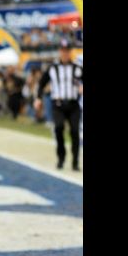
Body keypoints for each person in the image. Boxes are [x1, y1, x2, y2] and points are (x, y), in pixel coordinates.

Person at [38, 40, 83, 170]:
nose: (65, 53)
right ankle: (61, 158)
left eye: (67, 51)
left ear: (70, 52)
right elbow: (41, 83)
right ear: (60, 52)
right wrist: (38, 98)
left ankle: (75, 161)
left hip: (74, 104)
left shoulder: (77, 68)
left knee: (75, 132)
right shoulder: (53, 68)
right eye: (63, 51)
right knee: (58, 128)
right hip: (58, 104)